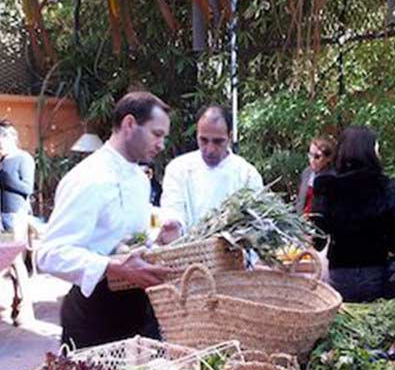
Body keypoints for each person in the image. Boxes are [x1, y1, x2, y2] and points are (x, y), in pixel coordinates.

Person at [37, 92, 179, 348]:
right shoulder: (87, 178)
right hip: (94, 315)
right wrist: (111, 266)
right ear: (129, 124)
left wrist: (160, 228)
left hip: (140, 311)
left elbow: (128, 227)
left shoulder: (138, 177)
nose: (161, 145)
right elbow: (48, 254)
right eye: (157, 134)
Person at [312, 126, 395, 303]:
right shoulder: (383, 185)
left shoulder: (327, 185)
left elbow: (318, 237)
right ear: (368, 151)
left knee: (347, 322)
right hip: (375, 269)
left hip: (340, 270)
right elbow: (394, 237)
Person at [160, 105, 263, 236]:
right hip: (187, 252)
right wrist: (173, 225)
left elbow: (257, 223)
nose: (210, 149)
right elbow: (173, 211)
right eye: (203, 140)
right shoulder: (178, 169)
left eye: (218, 141)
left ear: (230, 137)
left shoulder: (247, 174)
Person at [0, 121, 35, 235]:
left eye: (1, 145)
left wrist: (6, 178)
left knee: (15, 249)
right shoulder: (2, 160)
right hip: (1, 215)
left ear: (10, 140)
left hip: (16, 215)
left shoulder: (24, 158)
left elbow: (27, 188)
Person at [296, 135, 336, 215]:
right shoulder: (307, 172)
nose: (312, 160)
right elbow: (300, 200)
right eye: (310, 155)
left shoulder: (332, 178)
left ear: (328, 158)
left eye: (317, 157)